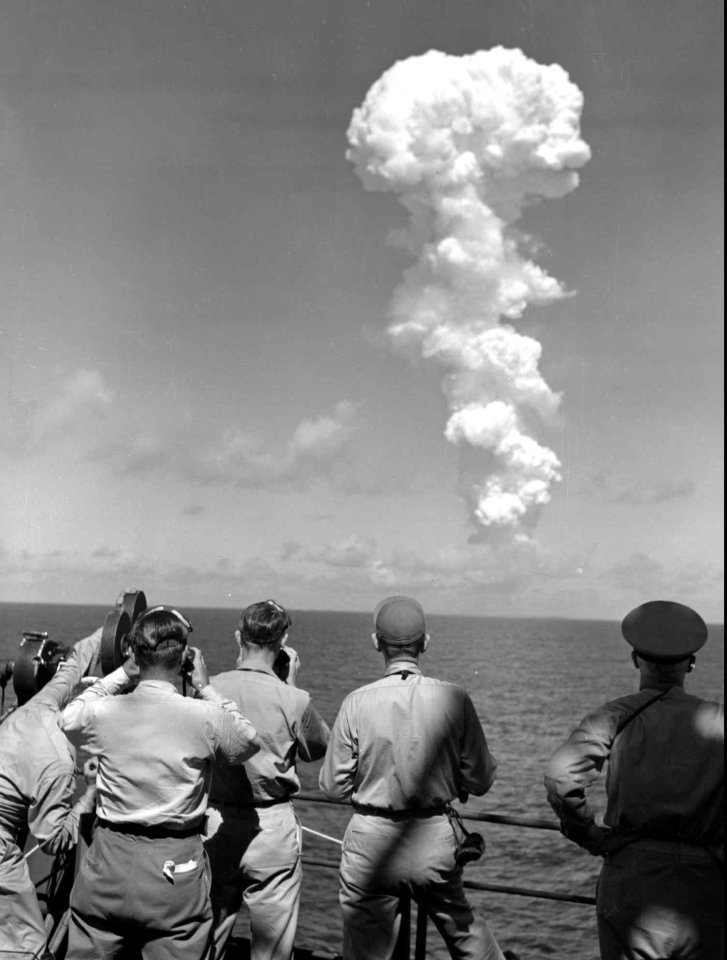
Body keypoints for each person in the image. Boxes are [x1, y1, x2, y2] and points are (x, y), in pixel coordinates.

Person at [60, 605, 263, 960]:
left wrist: (123, 674)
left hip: (108, 861)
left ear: (135, 653)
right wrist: (205, 687)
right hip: (175, 870)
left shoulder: (106, 712)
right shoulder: (203, 717)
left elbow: (68, 717)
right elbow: (246, 739)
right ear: (184, 656)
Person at [319, 595, 507, 960]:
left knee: (365, 952)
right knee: (468, 935)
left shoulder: (356, 702)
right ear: (425, 643)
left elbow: (331, 787)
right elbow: (481, 779)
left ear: (377, 644)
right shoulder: (455, 698)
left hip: (371, 844)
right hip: (433, 839)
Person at [544, 600, 724, 960]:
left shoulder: (616, 716)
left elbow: (560, 776)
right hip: (706, 882)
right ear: (691, 664)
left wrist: (590, 835)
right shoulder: (718, 721)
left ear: (634, 659)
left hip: (632, 878)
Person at [205, 598, 331, 960]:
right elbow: (316, 748)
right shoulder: (293, 698)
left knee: (208, 934)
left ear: (237, 637)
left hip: (215, 821)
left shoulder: (208, 689)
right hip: (271, 825)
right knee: (273, 950)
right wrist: (289, 686)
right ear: (284, 641)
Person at [0, 625, 101, 960]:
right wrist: (89, 794)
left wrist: (115, 621)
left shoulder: (20, 715)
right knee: (27, 950)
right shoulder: (57, 757)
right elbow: (52, 839)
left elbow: (73, 666)